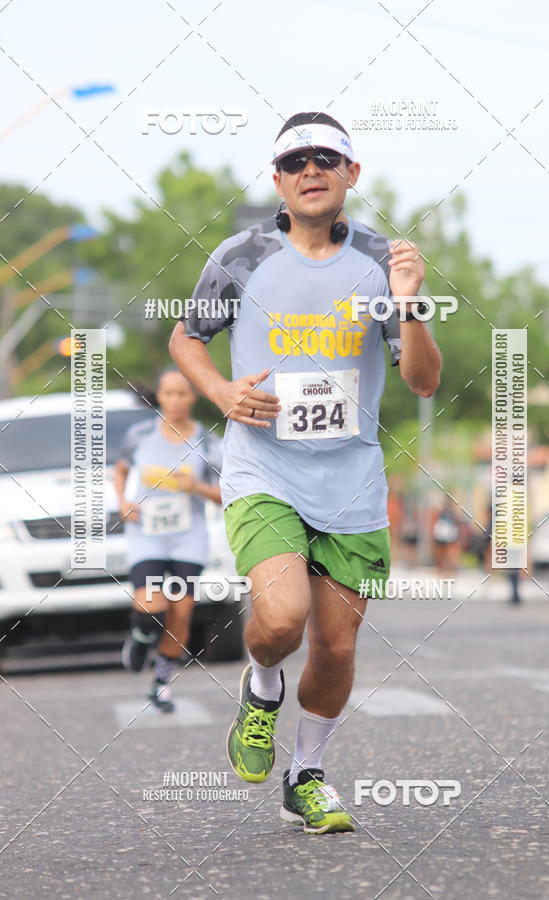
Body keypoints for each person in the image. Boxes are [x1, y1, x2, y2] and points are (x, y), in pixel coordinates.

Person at [169, 111, 442, 833]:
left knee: (338, 645)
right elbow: (187, 334)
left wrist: (412, 307)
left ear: (353, 173)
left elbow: (421, 382)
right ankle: (261, 689)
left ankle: (307, 774)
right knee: (281, 619)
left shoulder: (386, 260)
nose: (311, 169)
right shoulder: (241, 253)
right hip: (264, 469)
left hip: (351, 480)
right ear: (278, 180)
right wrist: (222, 392)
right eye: (296, 161)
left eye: (327, 157)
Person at [113, 368, 222, 712]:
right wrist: (123, 502)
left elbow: (226, 494)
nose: (175, 401)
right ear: (158, 396)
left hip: (188, 538)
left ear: (194, 397)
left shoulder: (207, 441)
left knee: (180, 614)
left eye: (182, 394)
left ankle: (161, 681)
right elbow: (120, 470)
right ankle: (142, 636)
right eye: (169, 394)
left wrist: (197, 488)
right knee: (150, 607)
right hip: (147, 535)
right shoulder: (140, 434)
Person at [432, 499, 461, 576]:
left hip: (448, 534)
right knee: (442, 554)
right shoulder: (441, 512)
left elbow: (456, 523)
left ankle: (448, 570)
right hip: (442, 534)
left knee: (448, 553)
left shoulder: (452, 513)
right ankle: (442, 570)